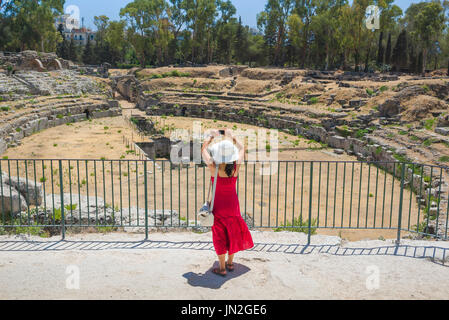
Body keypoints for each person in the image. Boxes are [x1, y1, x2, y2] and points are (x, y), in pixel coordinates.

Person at [201, 129, 254, 277]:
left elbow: (203, 149)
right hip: (233, 206)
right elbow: (243, 148)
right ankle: (230, 264)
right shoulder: (236, 167)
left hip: (218, 206)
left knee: (219, 236)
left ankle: (222, 267)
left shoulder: (213, 167)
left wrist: (211, 137)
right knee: (233, 233)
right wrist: (232, 137)